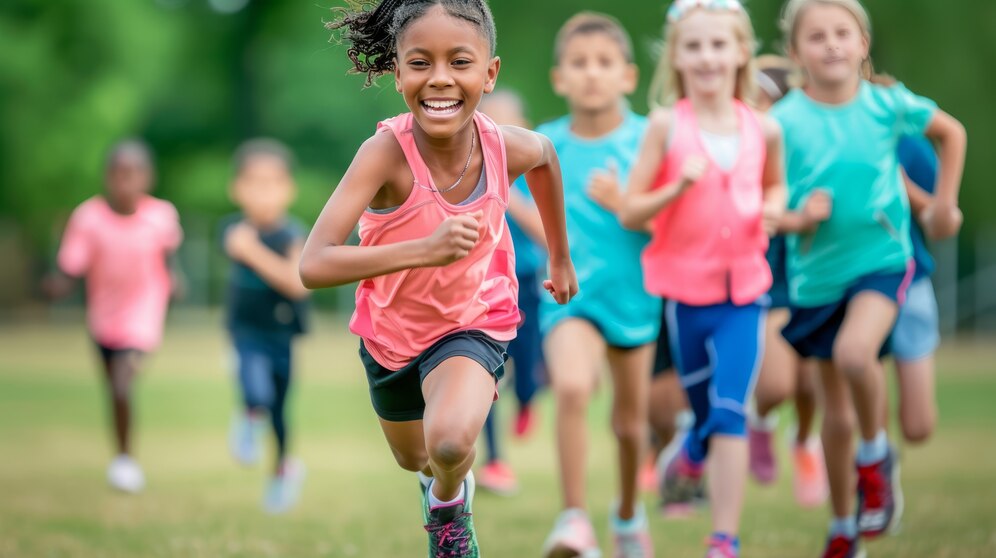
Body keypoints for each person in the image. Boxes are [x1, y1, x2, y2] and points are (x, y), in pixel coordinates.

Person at [307, 2, 578, 556]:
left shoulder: (506, 146)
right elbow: (314, 263)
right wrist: (421, 251)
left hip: (474, 321)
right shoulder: (384, 154)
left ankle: (449, 514)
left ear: (489, 73)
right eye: (420, 62)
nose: (440, 79)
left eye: (459, 61)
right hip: (391, 337)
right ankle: (441, 487)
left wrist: (559, 257)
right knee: (418, 458)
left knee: (452, 442)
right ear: (398, 72)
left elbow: (547, 157)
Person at [773, 1, 966, 555]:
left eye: (843, 33)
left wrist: (944, 206)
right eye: (816, 36)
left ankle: (876, 455)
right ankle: (843, 529)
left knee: (858, 354)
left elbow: (950, 134)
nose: (831, 44)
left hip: (883, 262)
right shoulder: (781, 123)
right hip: (815, 281)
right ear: (795, 53)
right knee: (834, 416)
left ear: (862, 45)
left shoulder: (887, 105)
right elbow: (764, 206)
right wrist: (796, 217)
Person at [620, 0, 787, 555]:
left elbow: (775, 187)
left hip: (745, 291)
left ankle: (723, 539)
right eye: (694, 46)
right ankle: (692, 448)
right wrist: (675, 189)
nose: (707, 56)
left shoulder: (764, 127)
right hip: (684, 295)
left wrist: (775, 210)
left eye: (719, 44)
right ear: (677, 56)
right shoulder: (667, 126)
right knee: (707, 410)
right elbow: (632, 210)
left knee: (732, 410)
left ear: (741, 51)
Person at [537, 12, 659, 558]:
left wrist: (627, 206)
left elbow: (679, 224)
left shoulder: (650, 138)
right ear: (558, 78)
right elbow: (500, 194)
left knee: (631, 426)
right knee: (571, 386)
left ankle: (629, 516)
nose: (591, 74)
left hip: (637, 299)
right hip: (570, 298)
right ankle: (574, 520)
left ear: (628, 76)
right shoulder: (542, 145)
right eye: (578, 64)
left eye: (604, 63)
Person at [44, 139, 183, 494]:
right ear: (107, 178)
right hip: (103, 318)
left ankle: (125, 462)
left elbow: (168, 260)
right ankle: (122, 456)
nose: (126, 183)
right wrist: (56, 286)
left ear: (147, 178)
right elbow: (72, 267)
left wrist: (176, 281)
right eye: (118, 175)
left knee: (122, 383)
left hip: (144, 311)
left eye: (133, 175)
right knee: (115, 391)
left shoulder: (161, 216)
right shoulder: (88, 218)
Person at [747, 55, 828, 509]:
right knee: (778, 384)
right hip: (771, 278)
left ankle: (804, 442)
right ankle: (761, 420)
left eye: (767, 102)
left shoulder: (810, 147)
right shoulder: (744, 149)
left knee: (810, 383)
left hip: (817, 275)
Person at [221, 138, 311, 513]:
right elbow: (233, 245)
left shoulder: (291, 234)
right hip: (245, 332)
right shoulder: (231, 229)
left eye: (272, 182)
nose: (263, 192)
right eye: (253, 182)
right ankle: (248, 415)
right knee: (255, 388)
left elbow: (296, 283)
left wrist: (251, 252)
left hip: (282, 334)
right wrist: (243, 247)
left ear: (289, 189)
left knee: (279, 412)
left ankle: (283, 469)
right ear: (237, 189)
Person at [475, 90, 549, 495]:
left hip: (525, 286)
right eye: (492, 121)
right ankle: (495, 460)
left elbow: (544, 233)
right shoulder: (470, 170)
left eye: (510, 123)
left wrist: (506, 195)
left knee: (528, 367)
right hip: (481, 291)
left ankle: (526, 401)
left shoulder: (530, 177)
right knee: (482, 375)